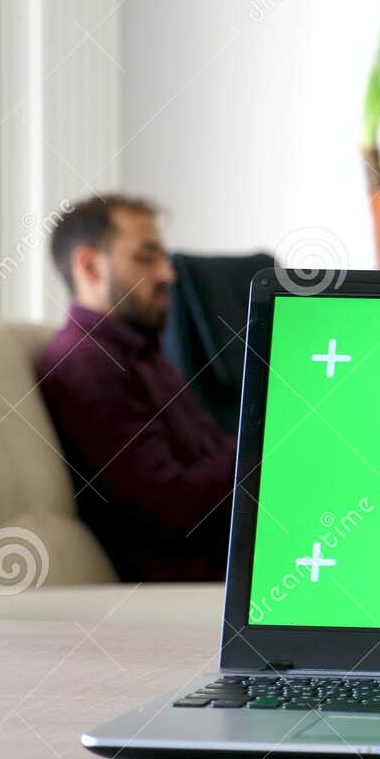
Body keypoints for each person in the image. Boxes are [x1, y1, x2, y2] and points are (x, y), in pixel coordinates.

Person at [36, 195, 236, 582]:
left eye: (163, 258)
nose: (168, 274)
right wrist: (264, 448)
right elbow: (172, 507)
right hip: (197, 577)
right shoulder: (84, 364)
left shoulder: (143, 352)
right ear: (90, 266)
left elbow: (212, 457)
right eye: (146, 258)